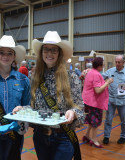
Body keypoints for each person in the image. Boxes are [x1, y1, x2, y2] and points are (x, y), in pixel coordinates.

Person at [30, 31, 85, 160]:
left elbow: (80, 107)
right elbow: (33, 107)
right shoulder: (35, 77)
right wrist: (23, 109)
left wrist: (73, 112)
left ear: (59, 53)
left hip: (63, 136)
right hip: (39, 136)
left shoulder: (71, 77)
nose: (49, 53)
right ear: (41, 53)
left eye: (54, 50)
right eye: (46, 49)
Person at [0, 35, 31, 160]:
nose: (5, 56)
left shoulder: (24, 80)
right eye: (1, 52)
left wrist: (22, 109)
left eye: (9, 53)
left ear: (14, 57)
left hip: (15, 132)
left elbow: (28, 107)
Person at [102, 55, 125, 145]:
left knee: (124, 120)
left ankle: (123, 136)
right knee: (108, 119)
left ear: (123, 62)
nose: (117, 64)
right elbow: (100, 77)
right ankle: (106, 136)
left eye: (119, 62)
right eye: (116, 62)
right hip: (111, 100)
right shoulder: (111, 71)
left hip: (123, 100)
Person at [82, 57, 113, 148]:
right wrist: (108, 82)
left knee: (91, 121)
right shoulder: (96, 74)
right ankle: (94, 140)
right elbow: (98, 90)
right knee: (95, 121)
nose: (103, 66)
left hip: (88, 101)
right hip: (94, 103)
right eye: (102, 64)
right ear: (99, 66)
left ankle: (87, 136)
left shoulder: (91, 72)